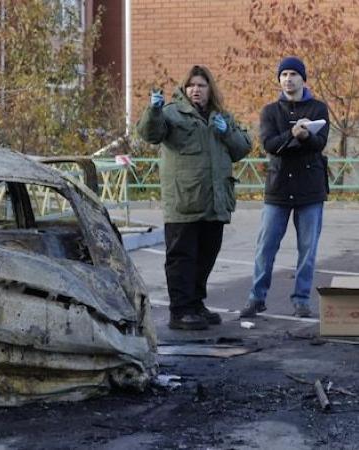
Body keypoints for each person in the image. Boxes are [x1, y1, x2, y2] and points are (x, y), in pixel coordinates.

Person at [137, 65, 252, 330]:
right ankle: (180, 311)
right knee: (182, 258)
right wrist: (152, 110)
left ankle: (196, 303)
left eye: (201, 85)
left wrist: (227, 132)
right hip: (184, 201)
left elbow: (242, 148)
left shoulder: (221, 116)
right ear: (184, 89)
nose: (196, 90)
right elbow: (150, 134)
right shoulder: (172, 113)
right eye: (191, 86)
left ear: (210, 89)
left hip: (215, 201)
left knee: (206, 255)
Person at [240, 56, 329, 319]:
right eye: (283, 75)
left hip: (310, 190)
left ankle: (301, 299)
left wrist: (307, 136)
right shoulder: (270, 111)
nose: (288, 79)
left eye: (293, 74)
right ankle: (257, 297)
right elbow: (269, 144)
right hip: (278, 189)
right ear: (279, 80)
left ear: (303, 78)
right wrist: (293, 135)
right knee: (265, 246)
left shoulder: (318, 108)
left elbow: (320, 143)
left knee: (307, 249)